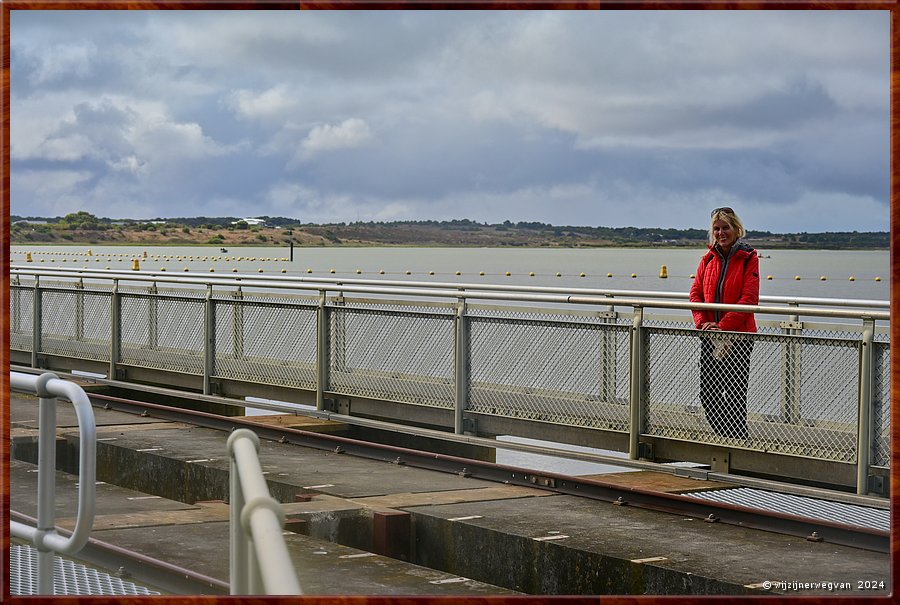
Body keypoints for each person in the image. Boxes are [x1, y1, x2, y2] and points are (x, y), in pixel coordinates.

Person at [689, 207, 760, 439]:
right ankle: (730, 438)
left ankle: (738, 442)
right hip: (711, 337)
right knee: (708, 393)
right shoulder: (707, 259)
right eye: (717, 229)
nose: (721, 233)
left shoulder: (748, 258)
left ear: (736, 229)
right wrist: (702, 324)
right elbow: (695, 295)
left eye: (725, 228)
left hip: (739, 337)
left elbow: (749, 299)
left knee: (736, 394)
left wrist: (724, 326)